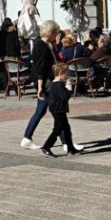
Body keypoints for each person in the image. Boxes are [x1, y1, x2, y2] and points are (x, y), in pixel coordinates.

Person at [21, 20, 83, 154]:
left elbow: (54, 61)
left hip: (49, 82)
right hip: (48, 83)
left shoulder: (47, 44)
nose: (57, 36)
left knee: (42, 111)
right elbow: (40, 68)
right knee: (58, 112)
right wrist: (40, 87)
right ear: (51, 32)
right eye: (56, 33)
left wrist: (54, 46)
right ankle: (66, 144)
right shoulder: (41, 46)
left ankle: (27, 138)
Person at [40, 63, 83, 157]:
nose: (67, 76)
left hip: (59, 109)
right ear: (60, 73)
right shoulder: (57, 85)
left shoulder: (56, 84)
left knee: (67, 129)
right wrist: (69, 88)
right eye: (66, 74)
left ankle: (70, 149)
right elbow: (65, 97)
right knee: (57, 129)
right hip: (58, 110)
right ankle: (46, 147)